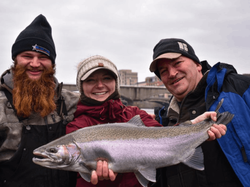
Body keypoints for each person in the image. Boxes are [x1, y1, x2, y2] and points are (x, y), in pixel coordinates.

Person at [66, 55, 227, 187]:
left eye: (107, 78)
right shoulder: (76, 127)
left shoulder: (134, 114)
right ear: (81, 86)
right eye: (90, 80)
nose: (100, 85)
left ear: (116, 83)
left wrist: (194, 125)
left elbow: (165, 136)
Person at [149, 38, 250, 187]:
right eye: (164, 71)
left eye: (177, 63)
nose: (172, 73)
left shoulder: (239, 88)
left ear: (197, 65)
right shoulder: (162, 122)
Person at [0, 14, 79, 187]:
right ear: (15, 60)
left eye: (43, 57)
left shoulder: (71, 102)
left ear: (52, 64)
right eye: (27, 56)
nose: (35, 64)